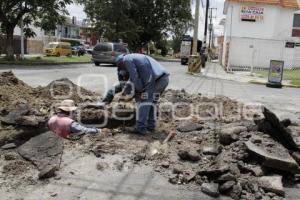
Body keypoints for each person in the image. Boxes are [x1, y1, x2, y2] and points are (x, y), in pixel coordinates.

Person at [115, 53, 169, 135]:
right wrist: (124, 92)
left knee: (144, 102)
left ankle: (140, 128)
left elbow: (135, 78)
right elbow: (132, 79)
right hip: (162, 79)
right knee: (151, 103)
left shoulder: (126, 60)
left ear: (120, 64)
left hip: (157, 81)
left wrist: (141, 91)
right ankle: (151, 126)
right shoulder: (133, 59)